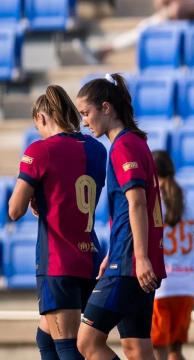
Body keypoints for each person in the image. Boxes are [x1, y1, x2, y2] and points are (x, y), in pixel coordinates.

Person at [8, 85, 107, 360]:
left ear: (41, 118)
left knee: (67, 347)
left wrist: (33, 196)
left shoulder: (40, 151)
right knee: (45, 337)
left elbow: (14, 210)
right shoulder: (98, 149)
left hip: (58, 261)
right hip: (88, 257)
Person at [75, 73, 167, 360]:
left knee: (87, 343)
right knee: (137, 348)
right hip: (131, 257)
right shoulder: (136, 142)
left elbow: (137, 203)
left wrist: (138, 257)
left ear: (106, 107)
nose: (84, 121)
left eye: (86, 113)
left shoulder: (124, 145)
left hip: (129, 264)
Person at [150, 150, 194, 360]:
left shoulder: (151, 202)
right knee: (175, 351)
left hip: (159, 287)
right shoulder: (193, 200)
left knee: (158, 350)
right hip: (187, 285)